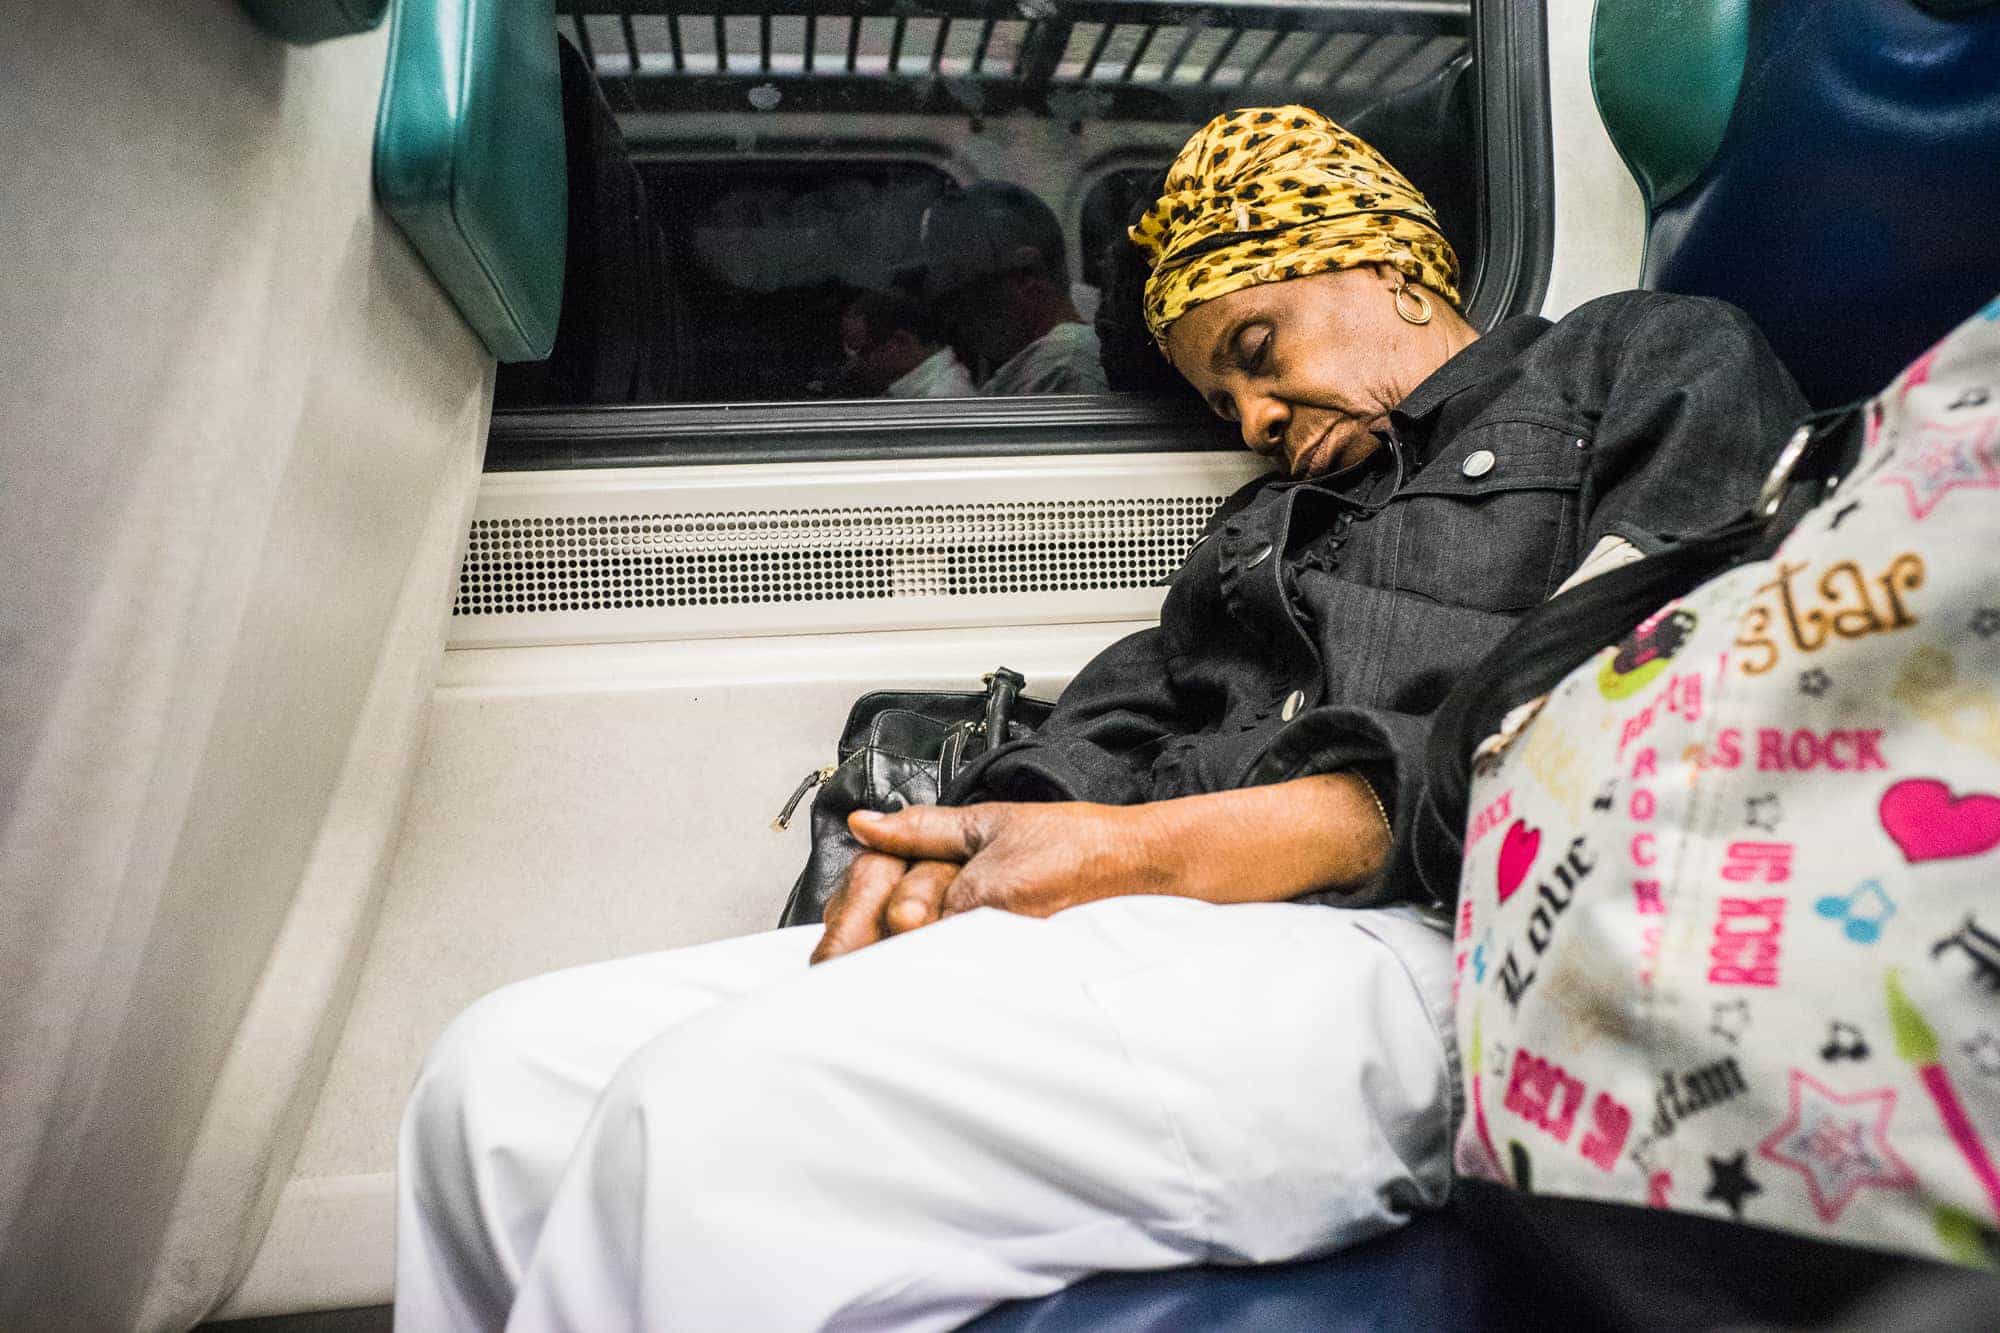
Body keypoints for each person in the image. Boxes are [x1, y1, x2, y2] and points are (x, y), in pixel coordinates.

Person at [395, 106, 1806, 1331]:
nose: (1253, 414)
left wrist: (1161, 853)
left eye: (1259, 347)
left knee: (711, 1121)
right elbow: (1111, 724)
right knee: (497, 1079)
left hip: (1448, 946)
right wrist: (967, 841)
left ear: (1382, 255)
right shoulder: (1265, 530)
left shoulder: (1649, 359)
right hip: (1169, 925)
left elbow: (1634, 719)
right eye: (1223, 393)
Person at [918, 181, 1110, 396]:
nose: (955, 317)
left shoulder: (1063, 368)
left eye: (965, 296)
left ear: (1027, 276)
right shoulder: (1035, 367)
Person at [837, 289, 974, 399]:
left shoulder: (941, 399)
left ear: (901, 342)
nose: (853, 364)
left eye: (863, 351)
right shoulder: (914, 394)